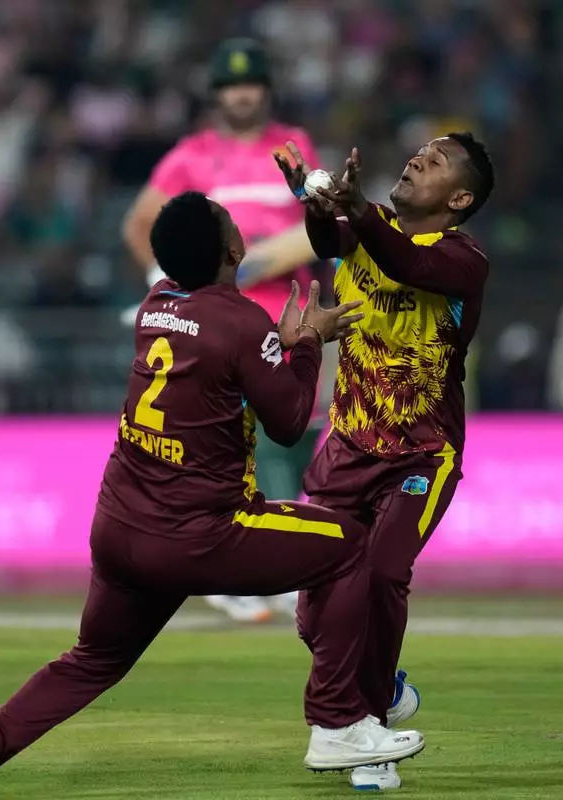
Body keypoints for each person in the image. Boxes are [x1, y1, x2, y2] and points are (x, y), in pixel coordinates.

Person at [0, 192, 423, 800]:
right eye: (231, 222)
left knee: (92, 661)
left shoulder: (154, 308)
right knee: (350, 546)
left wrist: (279, 347)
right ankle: (338, 722)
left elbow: (217, 367)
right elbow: (290, 422)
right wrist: (310, 341)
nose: (240, 226)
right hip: (198, 534)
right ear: (234, 249)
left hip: (119, 528)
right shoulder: (242, 323)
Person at [276, 134, 494, 792]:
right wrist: (316, 202)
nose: (416, 159)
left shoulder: (463, 259)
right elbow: (328, 241)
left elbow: (402, 264)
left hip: (421, 453)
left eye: (434, 161)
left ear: (458, 199)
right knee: (316, 617)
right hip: (346, 445)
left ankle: (364, 734)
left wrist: (357, 209)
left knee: (379, 573)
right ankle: (381, 691)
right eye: (418, 152)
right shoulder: (365, 230)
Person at [122, 38, 326, 624]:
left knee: (299, 433)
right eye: (232, 86)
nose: (243, 95)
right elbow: (139, 223)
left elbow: (314, 224)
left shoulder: (294, 147)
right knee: (240, 444)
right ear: (217, 95)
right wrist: (162, 273)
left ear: (267, 91)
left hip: (286, 313)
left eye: (253, 85)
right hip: (218, 321)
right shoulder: (191, 156)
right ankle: (250, 569)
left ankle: (264, 564)